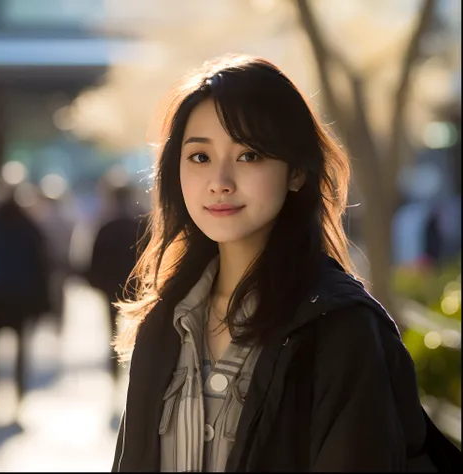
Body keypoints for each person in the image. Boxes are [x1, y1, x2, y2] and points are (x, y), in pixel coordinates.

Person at [111, 54, 460, 472]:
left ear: (296, 173)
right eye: (200, 157)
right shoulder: (164, 323)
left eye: (249, 155)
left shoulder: (341, 329)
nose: (219, 181)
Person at [0, 185, 51, 410]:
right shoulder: (28, 226)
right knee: (21, 347)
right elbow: (41, 263)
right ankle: (19, 391)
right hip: (20, 296)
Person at [87, 181, 148, 381]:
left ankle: (115, 370)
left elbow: (94, 260)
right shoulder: (141, 226)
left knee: (112, 330)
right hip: (137, 287)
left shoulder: (106, 226)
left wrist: (98, 283)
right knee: (141, 330)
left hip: (111, 288)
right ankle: (136, 371)